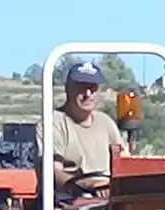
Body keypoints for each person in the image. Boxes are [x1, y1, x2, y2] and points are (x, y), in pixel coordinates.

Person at [34, 60, 124, 196]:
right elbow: (53, 172)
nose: (88, 93)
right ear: (68, 89)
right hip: (65, 199)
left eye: (92, 88)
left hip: (107, 198)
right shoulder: (53, 123)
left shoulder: (106, 123)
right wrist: (83, 187)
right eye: (81, 87)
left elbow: (124, 162)